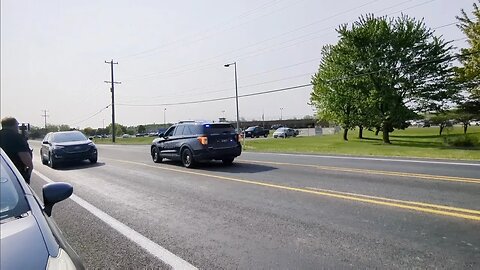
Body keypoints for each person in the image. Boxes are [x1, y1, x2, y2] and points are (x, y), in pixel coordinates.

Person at [0, 117, 33, 184]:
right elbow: (27, 160)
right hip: (14, 173)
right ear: (14, 125)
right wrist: (28, 175)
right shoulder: (17, 138)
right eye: (17, 125)